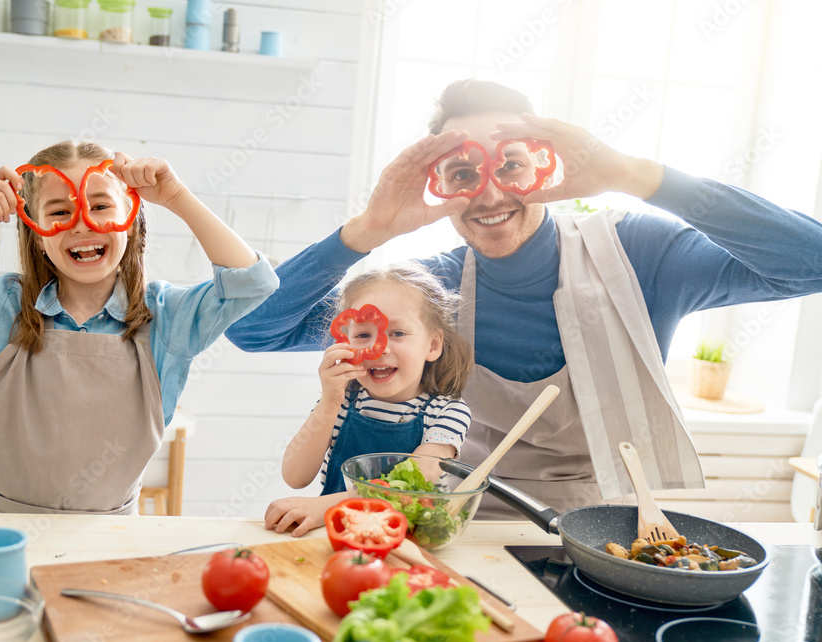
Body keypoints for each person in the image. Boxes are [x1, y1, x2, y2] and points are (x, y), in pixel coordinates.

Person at [228, 79, 822, 519]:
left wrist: (632, 174)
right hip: (462, 516)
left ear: (544, 165)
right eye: (462, 174)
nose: (487, 193)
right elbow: (255, 329)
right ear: (441, 187)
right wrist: (371, 228)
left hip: (604, 521)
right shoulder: (430, 293)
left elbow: (810, 261)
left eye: (509, 164)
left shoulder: (638, 254)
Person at [0, 141, 279, 515]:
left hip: (108, 541)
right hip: (0, 533)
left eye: (101, 205)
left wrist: (178, 195)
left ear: (131, 216)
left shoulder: (167, 316)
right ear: (35, 232)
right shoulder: (3, 307)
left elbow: (255, 283)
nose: (83, 223)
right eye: (59, 211)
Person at [264, 263, 473, 536]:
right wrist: (328, 402)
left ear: (432, 345)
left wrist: (326, 507)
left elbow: (410, 486)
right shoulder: (341, 402)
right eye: (363, 335)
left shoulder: (447, 412)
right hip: (339, 535)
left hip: (406, 538)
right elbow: (295, 476)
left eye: (397, 333)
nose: (380, 348)